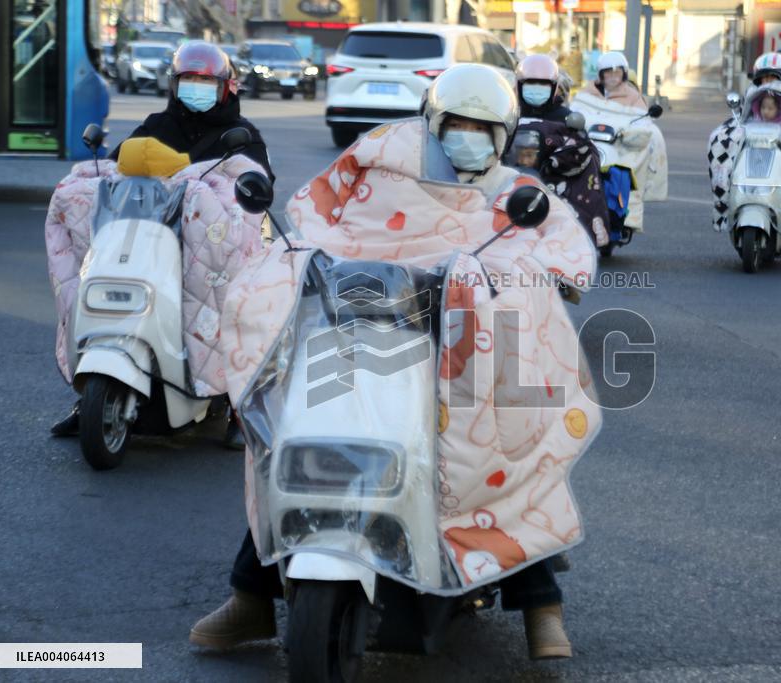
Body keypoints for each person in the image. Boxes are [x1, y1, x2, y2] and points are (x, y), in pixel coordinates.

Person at [190, 64, 581, 661]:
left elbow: (561, 249)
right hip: (356, 329)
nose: (467, 137)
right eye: (456, 125)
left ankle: (540, 604)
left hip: (461, 350)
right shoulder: (376, 171)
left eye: (481, 128)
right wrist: (296, 254)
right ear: (434, 124)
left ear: (502, 136)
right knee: (293, 441)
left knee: (511, 449)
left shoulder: (513, 194)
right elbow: (312, 221)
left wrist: (543, 276)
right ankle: (251, 595)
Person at [49, 41, 273, 443]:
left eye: (205, 80)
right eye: (188, 79)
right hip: (151, 239)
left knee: (242, 306)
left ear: (225, 87)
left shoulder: (241, 136)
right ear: (174, 84)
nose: (196, 87)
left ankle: (240, 408)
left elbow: (254, 186)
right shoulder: (156, 125)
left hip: (210, 248)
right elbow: (119, 168)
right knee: (92, 285)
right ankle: (90, 396)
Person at [513, 53, 610, 246]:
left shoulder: (566, 117)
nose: (537, 89)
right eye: (531, 83)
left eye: (543, 85)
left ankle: (583, 228)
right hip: (511, 173)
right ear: (519, 85)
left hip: (553, 180)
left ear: (554, 87)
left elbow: (581, 149)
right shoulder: (508, 112)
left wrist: (557, 161)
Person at [582, 51, 648, 109]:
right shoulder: (588, 92)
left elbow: (643, 118)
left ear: (624, 74)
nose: (613, 76)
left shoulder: (634, 97)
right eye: (608, 72)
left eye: (617, 72)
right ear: (601, 75)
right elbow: (577, 111)